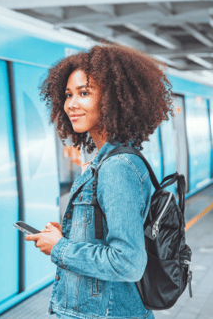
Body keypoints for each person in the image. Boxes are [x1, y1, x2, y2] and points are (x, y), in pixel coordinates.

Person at [25, 43, 174, 319]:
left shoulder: (117, 167)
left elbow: (128, 263)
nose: (71, 104)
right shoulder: (108, 161)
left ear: (112, 100)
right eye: (68, 94)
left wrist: (60, 247)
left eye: (84, 93)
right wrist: (69, 235)